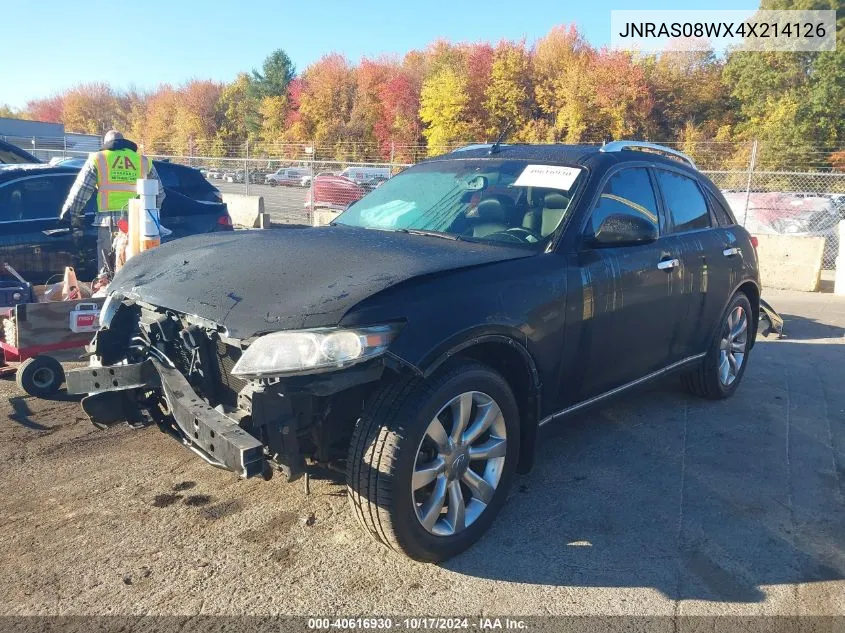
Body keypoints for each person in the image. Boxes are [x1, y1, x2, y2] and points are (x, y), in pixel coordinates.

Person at [60, 130, 165, 272]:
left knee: (108, 272)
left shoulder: (98, 159)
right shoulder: (143, 161)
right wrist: (149, 218)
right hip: (139, 225)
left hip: (109, 225)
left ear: (106, 143)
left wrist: (70, 216)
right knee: (137, 270)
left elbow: (80, 193)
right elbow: (159, 194)